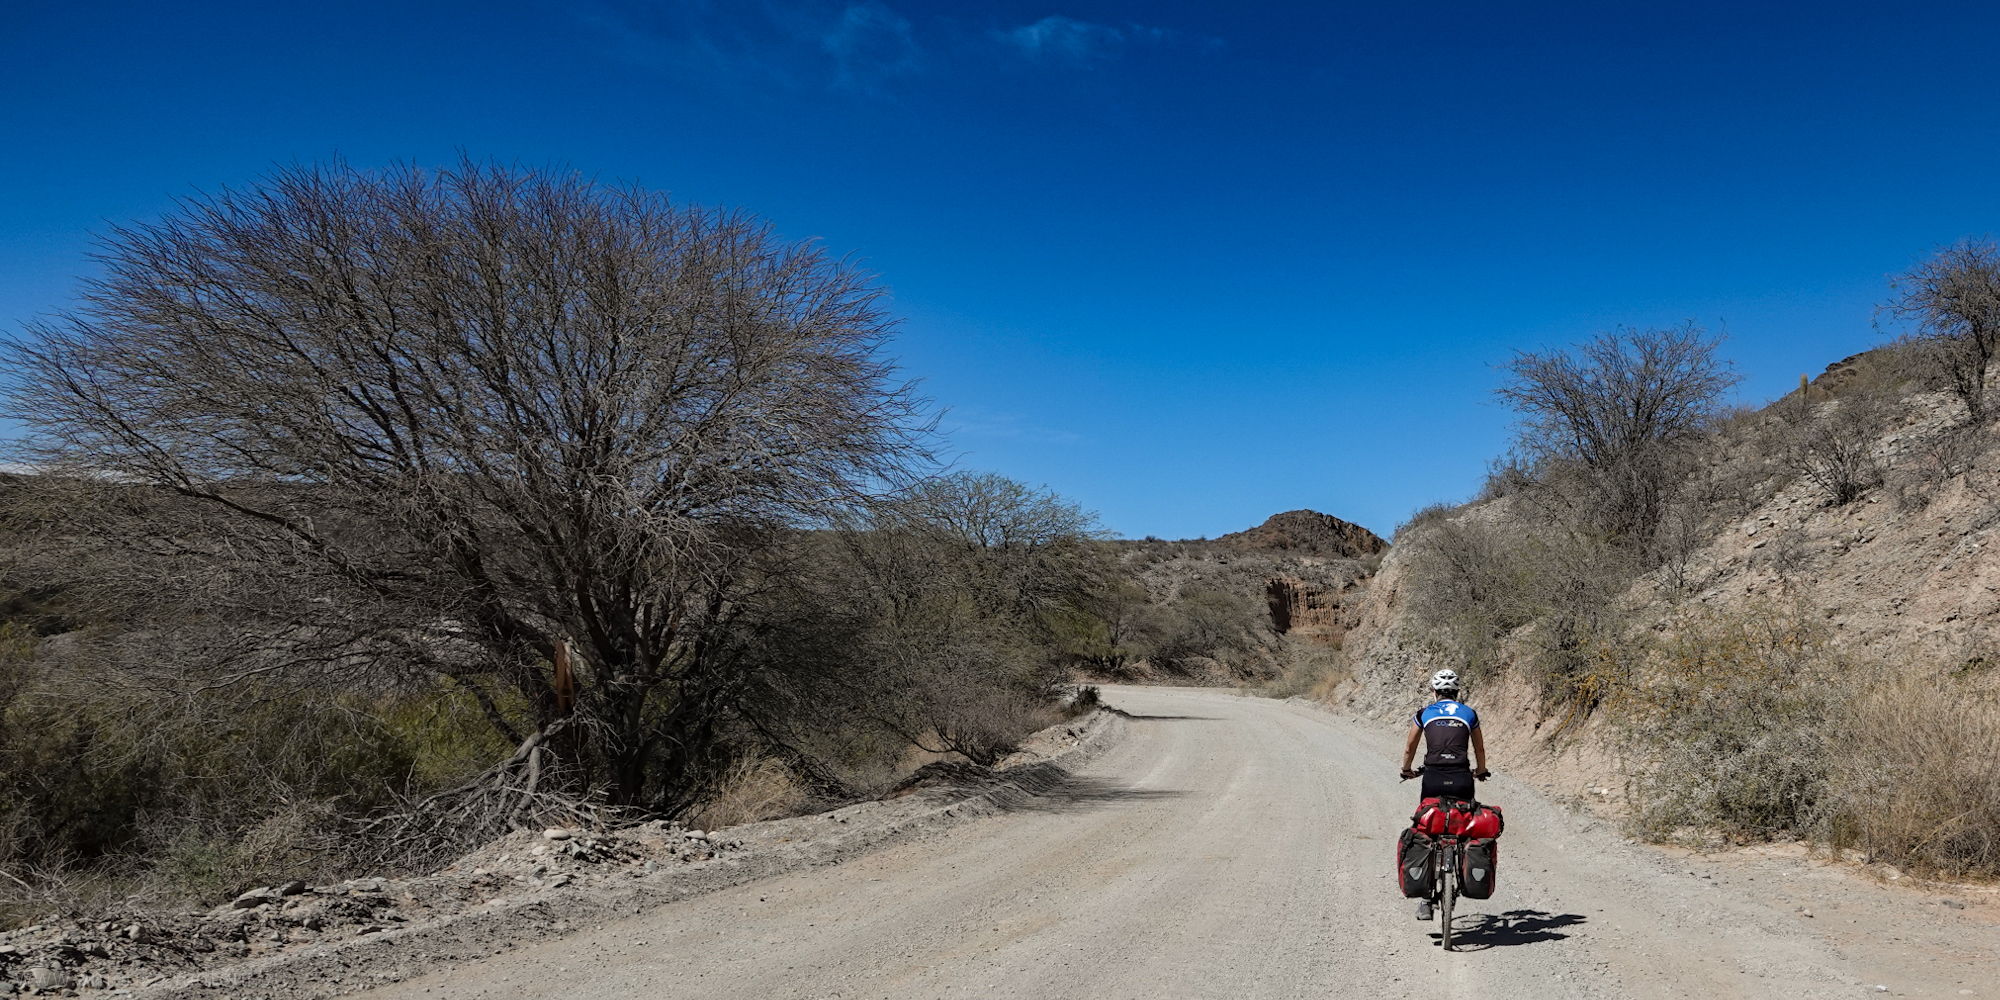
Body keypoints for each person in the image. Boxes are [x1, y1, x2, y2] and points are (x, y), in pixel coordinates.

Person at [1399, 668, 1490, 920]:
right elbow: (1479, 748)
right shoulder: (1469, 713)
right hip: (1461, 778)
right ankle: (1462, 870)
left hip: (1433, 778)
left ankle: (1426, 901)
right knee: (1463, 824)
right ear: (1457, 691)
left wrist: (1406, 770)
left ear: (1435, 692)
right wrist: (1480, 771)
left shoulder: (1425, 714)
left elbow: (1410, 747)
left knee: (1427, 828)